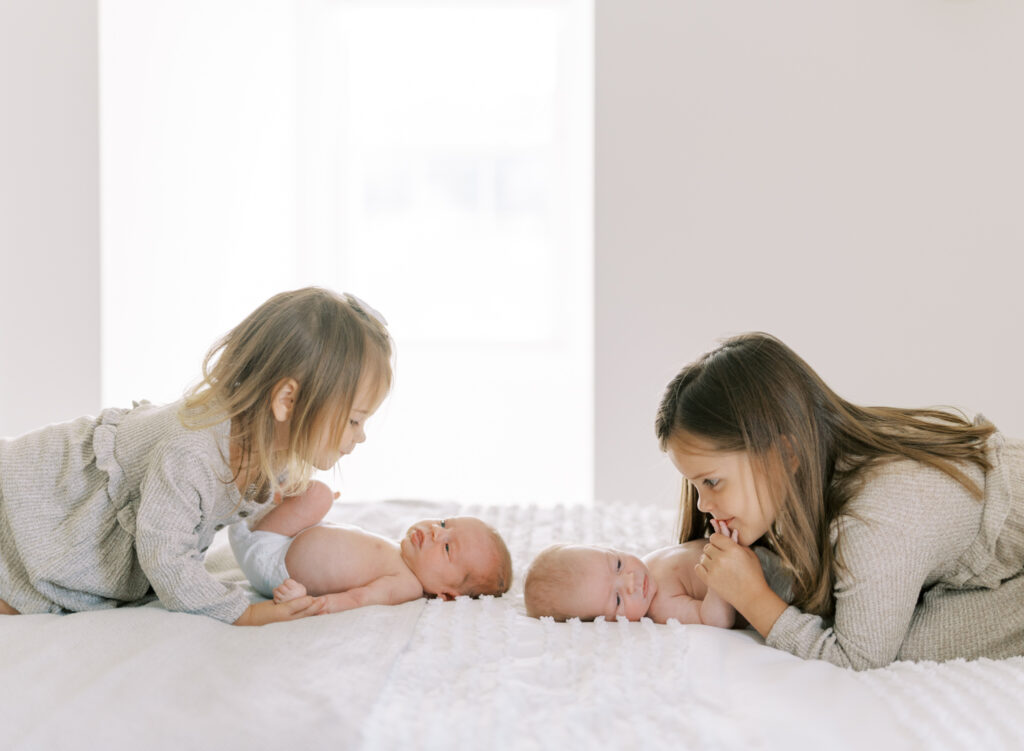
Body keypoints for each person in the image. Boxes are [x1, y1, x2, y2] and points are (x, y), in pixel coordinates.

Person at [0, 286, 391, 626]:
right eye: (355, 420)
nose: (362, 436)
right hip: (36, 496)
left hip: (68, 526)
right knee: (16, 590)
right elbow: (165, 555)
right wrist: (243, 613)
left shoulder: (275, 449)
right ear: (287, 400)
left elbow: (259, 521)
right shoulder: (193, 450)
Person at [655, 331, 1024, 670]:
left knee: (905, 643)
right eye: (695, 486)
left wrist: (753, 598)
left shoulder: (876, 516)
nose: (703, 504)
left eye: (713, 481)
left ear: (784, 455)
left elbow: (858, 657)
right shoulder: (826, 470)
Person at [229, 480, 512, 611]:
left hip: (271, 561)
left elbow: (358, 599)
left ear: (447, 595)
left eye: (448, 549)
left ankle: (250, 497)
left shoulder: (406, 586)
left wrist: (308, 604)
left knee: (319, 496)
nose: (436, 533)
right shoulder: (401, 555)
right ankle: (256, 494)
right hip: (282, 540)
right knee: (310, 493)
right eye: (442, 523)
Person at [523, 519, 787, 626]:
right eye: (617, 600)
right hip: (775, 588)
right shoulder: (661, 606)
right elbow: (714, 621)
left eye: (617, 564)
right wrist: (719, 582)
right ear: (610, 623)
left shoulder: (649, 563)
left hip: (768, 551)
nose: (631, 581)